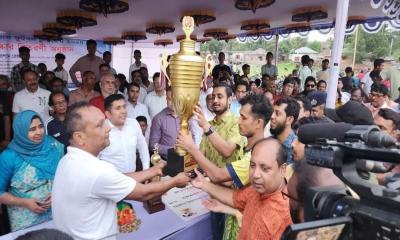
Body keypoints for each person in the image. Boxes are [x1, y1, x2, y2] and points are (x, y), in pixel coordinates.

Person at [51, 102, 190, 240]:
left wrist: (153, 171)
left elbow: (116, 178)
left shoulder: (68, 159)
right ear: (79, 137)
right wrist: (176, 180)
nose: (108, 129)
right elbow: (145, 192)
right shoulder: (96, 170)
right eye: (100, 125)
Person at [191, 138, 292, 240]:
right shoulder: (256, 190)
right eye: (252, 165)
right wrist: (204, 184)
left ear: (282, 169)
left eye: (264, 168)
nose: (255, 174)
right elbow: (235, 198)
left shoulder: (285, 216)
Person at [0, 110, 64, 231]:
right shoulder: (9, 157)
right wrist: (24, 202)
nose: (39, 132)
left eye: (40, 127)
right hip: (26, 220)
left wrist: (57, 192)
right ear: (20, 131)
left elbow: (65, 175)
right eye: (32, 129)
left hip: (57, 212)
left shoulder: (53, 145)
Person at [99, 94, 150, 173]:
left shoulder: (133, 124)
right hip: (111, 181)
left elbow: (142, 146)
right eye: (118, 108)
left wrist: (146, 170)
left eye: (124, 106)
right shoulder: (101, 130)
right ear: (108, 114)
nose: (123, 111)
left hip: (133, 178)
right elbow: (95, 159)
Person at [270, 97, 299, 164]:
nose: (272, 116)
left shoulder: (295, 150)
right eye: (272, 112)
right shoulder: (269, 141)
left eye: (277, 113)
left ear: (289, 120)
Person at [0, 75, 12, 150]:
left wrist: (7, 139)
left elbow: (7, 118)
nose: (1, 87)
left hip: (5, 135)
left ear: (8, 85)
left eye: (3, 84)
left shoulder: (14, 95)